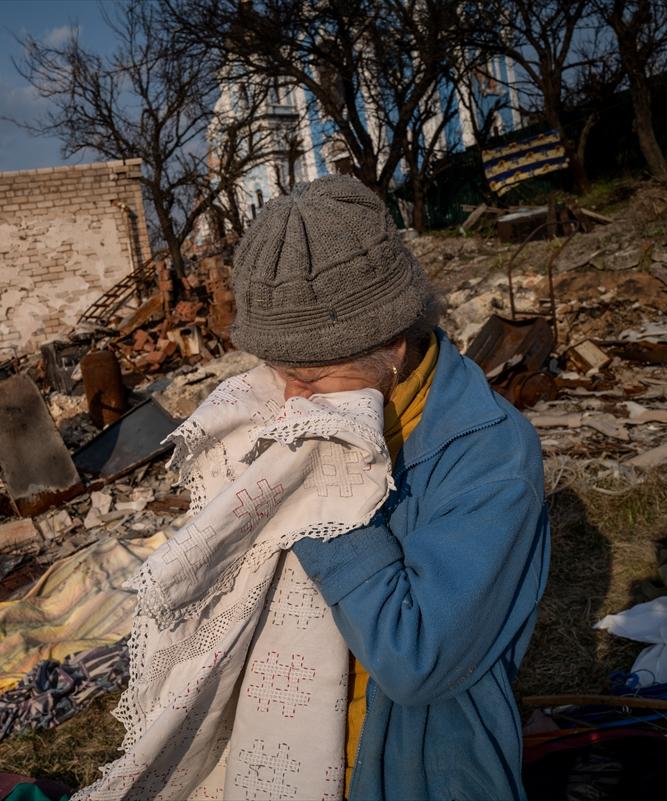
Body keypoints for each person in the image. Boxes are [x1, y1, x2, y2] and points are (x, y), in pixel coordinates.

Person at [229, 175, 550, 801]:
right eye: (278, 374)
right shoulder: (338, 408)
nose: (291, 401)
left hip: (421, 769)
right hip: (300, 754)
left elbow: (416, 660)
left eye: (312, 377)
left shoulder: (488, 455)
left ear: (394, 345)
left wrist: (316, 507)